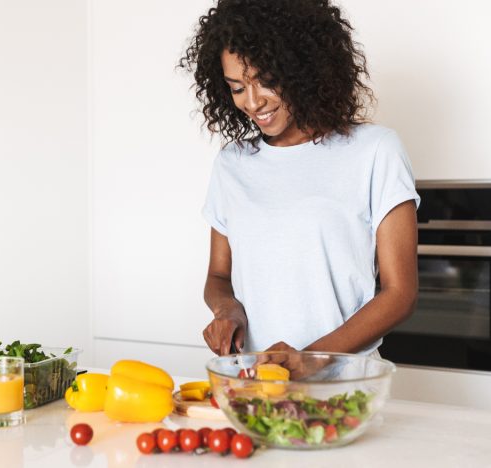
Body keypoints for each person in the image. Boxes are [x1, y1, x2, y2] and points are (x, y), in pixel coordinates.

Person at [180, 0, 420, 360]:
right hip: (259, 382)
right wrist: (226, 310)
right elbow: (218, 276)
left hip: (344, 387)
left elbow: (400, 293)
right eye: (237, 87)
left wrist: (310, 359)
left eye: (268, 81)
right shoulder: (233, 164)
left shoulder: (375, 151)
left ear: (305, 69)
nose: (252, 102)